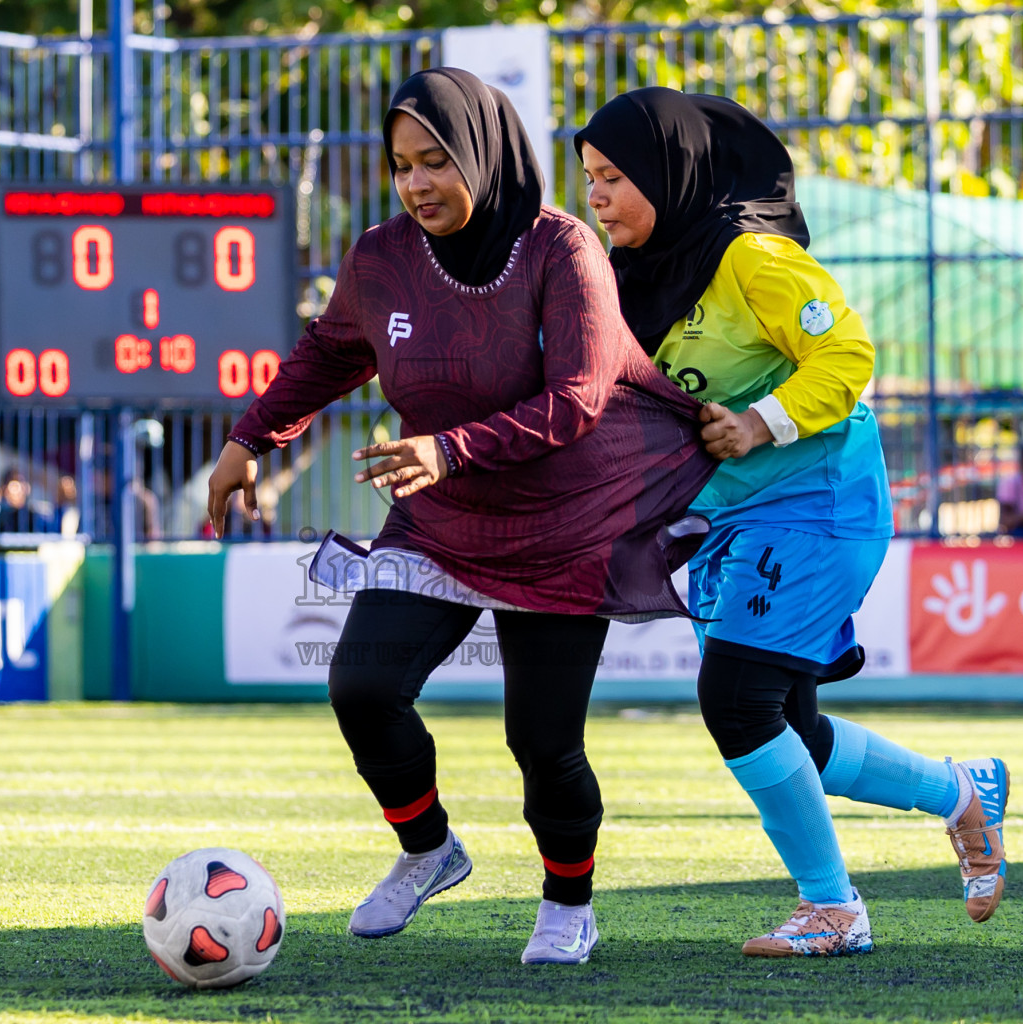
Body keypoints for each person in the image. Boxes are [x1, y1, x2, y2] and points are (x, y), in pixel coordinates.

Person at [208, 68, 714, 965]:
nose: (417, 184)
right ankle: (429, 848)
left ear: (484, 151)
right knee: (362, 688)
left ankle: (568, 903)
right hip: (442, 517)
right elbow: (329, 352)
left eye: (437, 161)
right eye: (401, 165)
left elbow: (581, 397)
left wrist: (448, 448)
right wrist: (251, 437)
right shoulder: (381, 257)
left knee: (543, 742)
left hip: (564, 524)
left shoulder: (562, 248)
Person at [576, 88, 1009, 957]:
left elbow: (847, 353)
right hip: (728, 521)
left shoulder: (753, 258)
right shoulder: (628, 279)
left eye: (615, 177)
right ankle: (963, 795)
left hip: (820, 502)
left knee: (737, 702)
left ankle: (834, 910)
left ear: (669, 173)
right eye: (588, 177)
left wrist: (759, 422)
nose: (597, 197)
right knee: (790, 729)